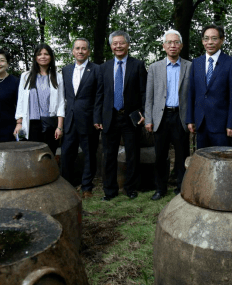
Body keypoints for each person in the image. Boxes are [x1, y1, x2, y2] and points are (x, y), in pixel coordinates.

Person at [94, 30, 147, 201]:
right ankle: (109, 191)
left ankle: (131, 188)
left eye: (121, 43)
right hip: (109, 117)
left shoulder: (138, 65)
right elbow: (99, 94)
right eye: (115, 43)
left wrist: (144, 112)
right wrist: (97, 117)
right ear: (111, 46)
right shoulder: (104, 67)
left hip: (130, 117)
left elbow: (144, 91)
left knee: (132, 154)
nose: (118, 46)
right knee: (108, 155)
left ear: (128, 44)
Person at [145, 29, 192, 200]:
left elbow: (193, 96)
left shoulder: (190, 67)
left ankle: (181, 187)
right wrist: (148, 119)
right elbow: (149, 96)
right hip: (161, 118)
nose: (173, 46)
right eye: (169, 42)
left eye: (176, 42)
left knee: (182, 155)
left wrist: (191, 119)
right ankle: (160, 188)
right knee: (160, 156)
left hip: (181, 117)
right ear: (164, 46)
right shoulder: (154, 68)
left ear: (181, 46)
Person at [186, 24, 232, 148]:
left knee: (223, 162)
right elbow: (191, 93)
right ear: (202, 41)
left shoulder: (231, 63)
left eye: (214, 38)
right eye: (206, 39)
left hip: (222, 126)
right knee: (203, 161)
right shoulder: (196, 63)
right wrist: (190, 119)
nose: (209, 42)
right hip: (200, 124)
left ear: (222, 40)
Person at [60, 38, 100, 199]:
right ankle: (66, 185)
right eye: (77, 48)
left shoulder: (96, 70)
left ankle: (87, 187)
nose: (80, 51)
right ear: (73, 51)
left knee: (90, 154)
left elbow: (99, 96)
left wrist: (97, 118)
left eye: (84, 48)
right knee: (66, 153)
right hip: (70, 119)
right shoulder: (65, 70)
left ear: (88, 51)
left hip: (89, 119)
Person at [14, 43, 65, 155]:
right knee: (29, 154)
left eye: (46, 54)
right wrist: (19, 123)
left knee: (48, 154)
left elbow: (61, 103)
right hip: (31, 123)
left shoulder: (58, 76)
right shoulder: (26, 76)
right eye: (39, 54)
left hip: (50, 123)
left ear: (51, 57)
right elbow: (21, 101)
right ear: (35, 58)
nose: (43, 57)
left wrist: (59, 127)